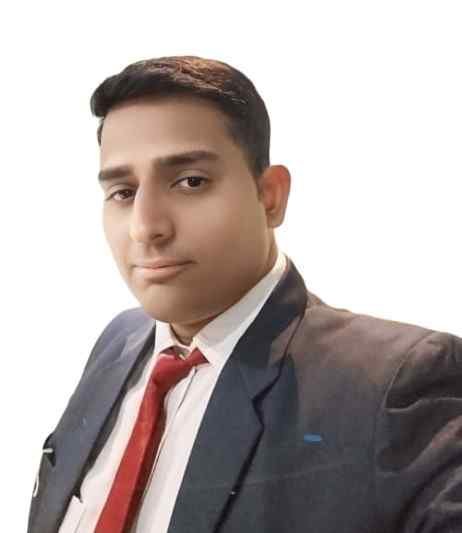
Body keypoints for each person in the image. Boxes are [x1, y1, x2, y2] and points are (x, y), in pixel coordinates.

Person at [27, 55, 462, 533]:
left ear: (271, 196)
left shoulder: (394, 387)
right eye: (123, 192)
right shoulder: (120, 343)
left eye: (190, 182)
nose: (145, 227)